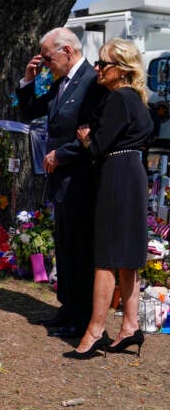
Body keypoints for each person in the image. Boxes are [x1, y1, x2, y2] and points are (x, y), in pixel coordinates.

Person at [17, 27, 108, 339]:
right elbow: (30, 111)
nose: (44, 63)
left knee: (80, 249)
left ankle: (82, 315)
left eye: (47, 57)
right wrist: (29, 80)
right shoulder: (61, 83)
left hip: (80, 178)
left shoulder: (92, 81)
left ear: (67, 51)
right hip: (61, 181)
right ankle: (67, 306)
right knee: (65, 247)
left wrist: (61, 154)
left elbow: (93, 130)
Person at [67, 38, 154, 358]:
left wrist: (87, 139)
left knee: (105, 257)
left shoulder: (117, 99)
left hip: (116, 172)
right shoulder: (138, 101)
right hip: (134, 172)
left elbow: (100, 146)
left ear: (122, 69)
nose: (97, 69)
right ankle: (130, 325)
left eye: (104, 64)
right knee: (128, 257)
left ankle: (94, 331)